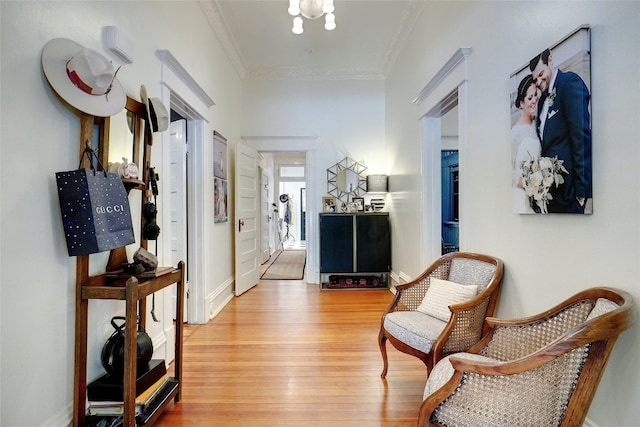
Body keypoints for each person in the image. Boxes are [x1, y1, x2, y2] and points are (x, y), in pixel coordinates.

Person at [529, 48, 592, 213]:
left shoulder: (569, 83)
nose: (540, 82)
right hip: (552, 195)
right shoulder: (542, 100)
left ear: (550, 60)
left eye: (542, 74)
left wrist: (581, 193)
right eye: (536, 80)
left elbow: (581, 138)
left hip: (570, 194)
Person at [511, 74, 541, 214]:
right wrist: (522, 182)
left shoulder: (538, 126)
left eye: (536, 95)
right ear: (522, 103)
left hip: (538, 193)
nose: (534, 100)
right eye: (530, 98)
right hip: (520, 193)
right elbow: (507, 165)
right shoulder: (516, 131)